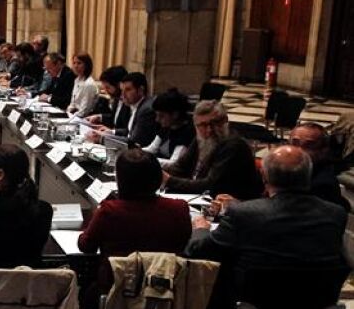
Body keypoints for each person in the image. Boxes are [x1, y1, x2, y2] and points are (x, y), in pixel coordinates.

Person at [186, 145, 347, 273]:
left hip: (250, 300)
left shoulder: (243, 214)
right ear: (307, 175)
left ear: (264, 176)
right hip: (317, 300)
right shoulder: (336, 213)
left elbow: (199, 251)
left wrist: (201, 229)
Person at [79, 149, 191, 294]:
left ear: (121, 180)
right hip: (165, 290)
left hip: (116, 291)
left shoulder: (110, 211)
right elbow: (183, 243)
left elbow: (86, 246)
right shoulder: (179, 209)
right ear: (158, 177)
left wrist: (92, 220)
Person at [163, 100, 264, 199]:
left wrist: (169, 181)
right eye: (203, 125)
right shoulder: (202, 138)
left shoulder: (233, 146)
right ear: (195, 125)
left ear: (225, 121)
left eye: (214, 123)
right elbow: (180, 167)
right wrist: (158, 172)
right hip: (202, 197)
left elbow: (209, 185)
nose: (209, 129)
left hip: (233, 203)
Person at [91, 72, 157, 147]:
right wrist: (111, 132)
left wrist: (102, 139)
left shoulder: (146, 110)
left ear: (140, 90)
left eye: (128, 90)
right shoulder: (136, 105)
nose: (123, 95)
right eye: (122, 90)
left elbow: (134, 141)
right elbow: (129, 131)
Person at [143, 89, 195, 168]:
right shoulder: (166, 126)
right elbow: (152, 148)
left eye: (161, 116)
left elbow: (173, 163)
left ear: (175, 114)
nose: (157, 120)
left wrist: (145, 159)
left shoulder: (187, 132)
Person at [87, 66, 130, 131]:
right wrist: (99, 117)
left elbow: (127, 130)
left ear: (119, 85)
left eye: (108, 88)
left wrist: (111, 131)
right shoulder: (117, 99)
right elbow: (114, 119)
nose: (106, 91)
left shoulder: (129, 102)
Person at [67, 53, 99, 117]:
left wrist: (70, 116)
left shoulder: (89, 84)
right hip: (74, 115)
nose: (76, 66)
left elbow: (84, 111)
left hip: (83, 118)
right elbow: (72, 103)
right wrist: (67, 112)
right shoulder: (77, 80)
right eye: (74, 63)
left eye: (79, 63)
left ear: (86, 65)